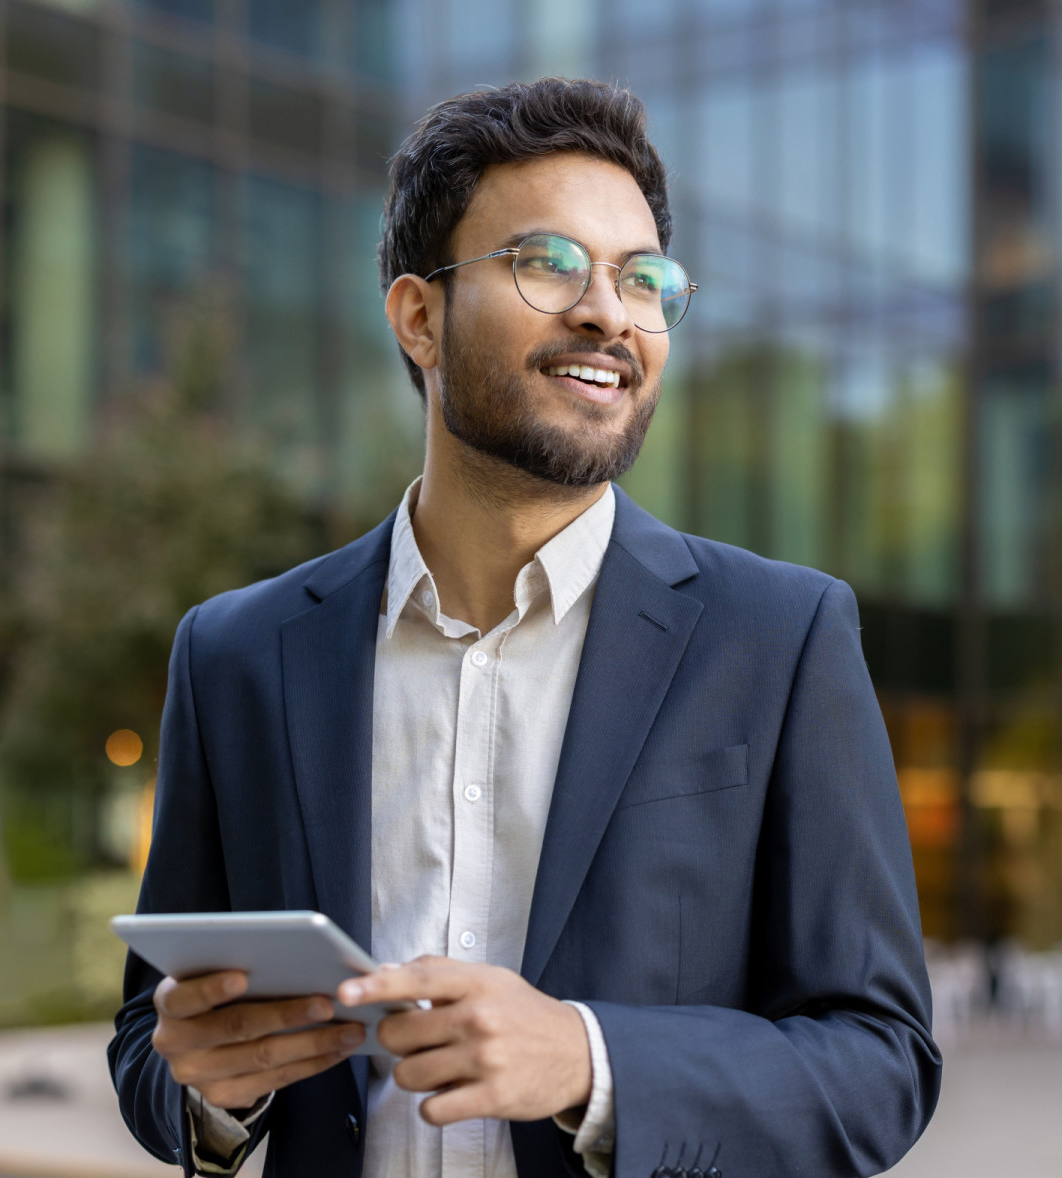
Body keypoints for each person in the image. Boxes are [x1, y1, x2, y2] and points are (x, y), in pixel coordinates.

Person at [108, 77, 939, 1178]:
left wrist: (592, 1059)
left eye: (644, 281)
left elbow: (881, 1063)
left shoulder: (780, 639)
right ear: (419, 316)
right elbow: (148, 1047)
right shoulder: (237, 654)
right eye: (548, 263)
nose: (608, 312)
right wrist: (215, 1087)